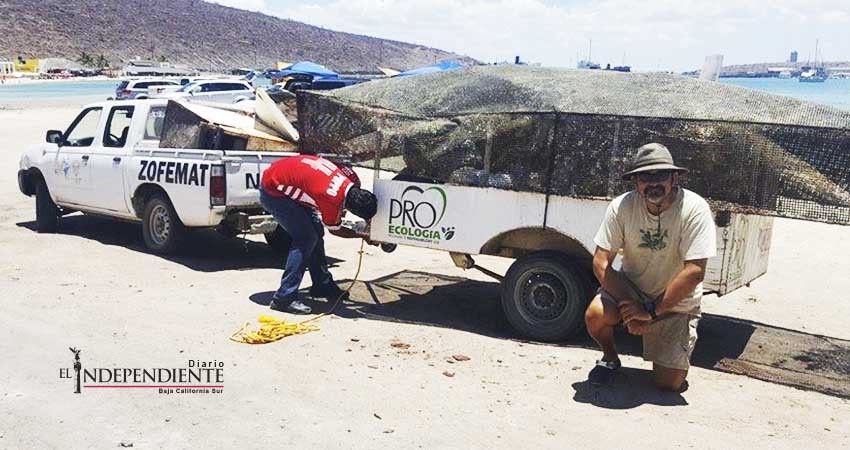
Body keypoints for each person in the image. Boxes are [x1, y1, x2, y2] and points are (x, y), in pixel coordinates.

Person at [584, 143, 716, 391]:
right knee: (595, 315)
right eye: (645, 176)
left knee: (669, 385)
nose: (653, 183)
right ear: (635, 181)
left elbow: (695, 271)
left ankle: (675, 354)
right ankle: (610, 358)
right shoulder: (622, 207)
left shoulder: (694, 209)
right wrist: (631, 308)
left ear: (674, 177)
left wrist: (651, 311)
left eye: (661, 175)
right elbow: (601, 262)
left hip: (675, 303)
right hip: (631, 291)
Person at [260, 154, 377, 314]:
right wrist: (363, 235)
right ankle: (283, 298)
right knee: (306, 239)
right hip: (274, 191)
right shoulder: (332, 199)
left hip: (284, 175)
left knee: (315, 231)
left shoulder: (347, 180)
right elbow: (335, 230)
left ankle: (322, 285)